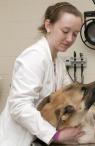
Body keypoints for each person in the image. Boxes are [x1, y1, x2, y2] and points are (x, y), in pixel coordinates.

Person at [0, 2, 85, 146]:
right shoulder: (34, 57)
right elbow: (19, 106)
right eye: (65, 31)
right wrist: (55, 135)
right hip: (16, 141)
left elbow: (72, 97)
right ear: (48, 25)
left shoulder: (58, 63)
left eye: (75, 34)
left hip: (37, 140)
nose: (70, 39)